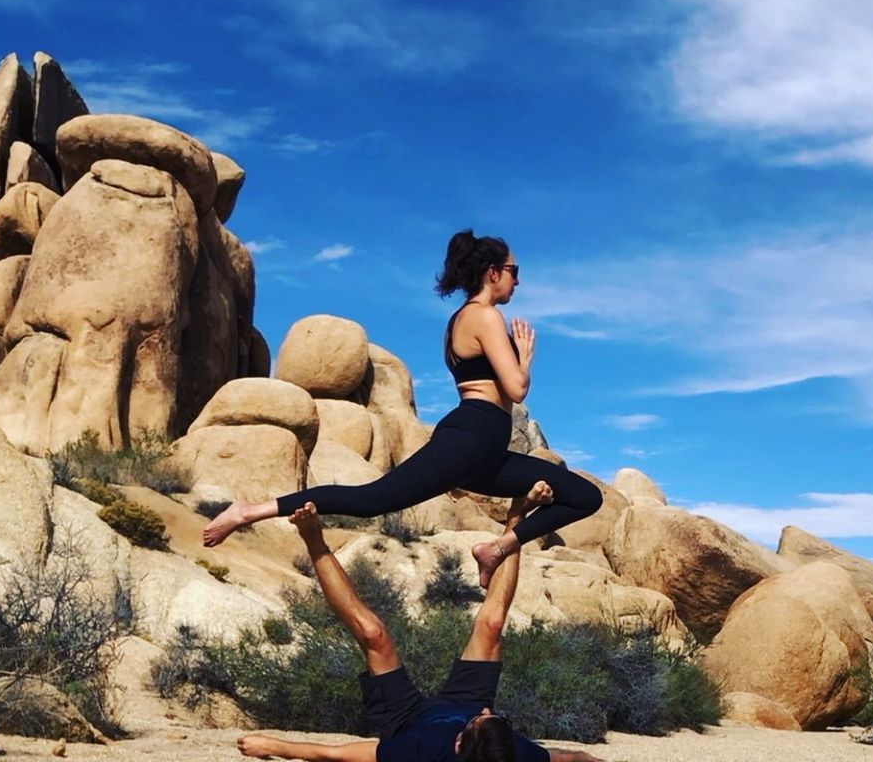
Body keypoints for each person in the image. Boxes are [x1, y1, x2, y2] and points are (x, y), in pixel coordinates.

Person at [204, 229, 603, 587]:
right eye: (516, 270)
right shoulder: (484, 315)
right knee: (371, 500)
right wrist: (526, 360)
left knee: (584, 496)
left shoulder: (460, 320)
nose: (519, 280)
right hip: (472, 437)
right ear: (492, 272)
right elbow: (516, 389)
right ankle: (248, 511)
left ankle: (496, 549)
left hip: (484, 450)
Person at [237, 485, 605, 762]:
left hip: (406, 721)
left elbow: (337, 754)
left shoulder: (419, 752)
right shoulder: (514, 751)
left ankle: (313, 539)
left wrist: (274, 746)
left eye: (481, 719)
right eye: (493, 716)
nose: (487, 710)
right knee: (491, 625)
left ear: (460, 743)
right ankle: (516, 519)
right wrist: (585, 758)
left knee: (373, 633)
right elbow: (560, 759)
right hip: (460, 700)